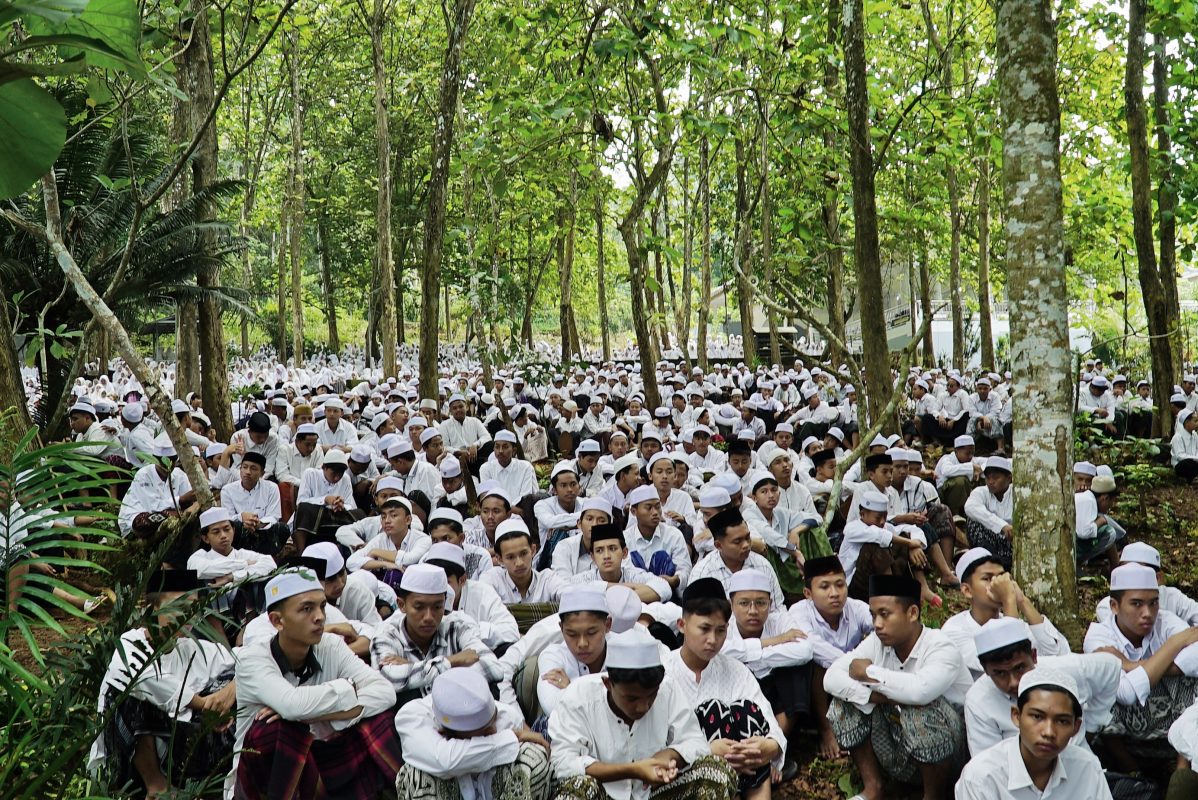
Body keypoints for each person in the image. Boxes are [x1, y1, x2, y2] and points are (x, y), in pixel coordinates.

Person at [233, 566, 401, 799]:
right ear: (277, 621)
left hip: (322, 760)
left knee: (379, 718)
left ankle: (401, 791)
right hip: (268, 778)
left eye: (322, 606)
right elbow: (293, 705)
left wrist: (314, 714)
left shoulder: (331, 645)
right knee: (279, 730)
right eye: (307, 609)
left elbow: (385, 692)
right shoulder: (252, 659)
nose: (320, 616)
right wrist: (347, 690)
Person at [88, 569, 235, 798]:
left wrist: (229, 692)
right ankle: (155, 786)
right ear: (153, 608)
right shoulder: (129, 645)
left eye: (193, 608)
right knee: (127, 694)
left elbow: (245, 660)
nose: (189, 616)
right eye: (180, 607)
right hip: (130, 761)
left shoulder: (192, 647)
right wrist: (207, 705)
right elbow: (151, 682)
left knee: (234, 678)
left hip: (183, 751)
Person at [823, 575, 972, 800]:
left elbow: (919, 692)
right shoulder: (877, 642)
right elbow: (831, 678)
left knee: (920, 711)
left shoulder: (940, 646)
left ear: (912, 613)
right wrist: (878, 697)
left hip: (951, 755)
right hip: (899, 743)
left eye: (885, 614)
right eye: (873, 615)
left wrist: (868, 672)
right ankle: (874, 788)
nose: (877, 624)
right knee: (843, 704)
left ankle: (933, 796)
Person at [548, 626, 739, 800]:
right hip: (603, 793)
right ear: (608, 684)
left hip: (653, 793)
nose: (642, 707)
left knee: (716, 772)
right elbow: (564, 763)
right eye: (631, 698)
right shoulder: (579, 697)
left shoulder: (667, 688)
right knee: (578, 787)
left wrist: (670, 756)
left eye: (651, 696)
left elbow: (695, 742)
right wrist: (633, 770)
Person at [666, 578, 788, 798]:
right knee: (713, 712)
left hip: (740, 772)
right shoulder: (662, 671)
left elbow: (770, 725)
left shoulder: (735, 670)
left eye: (720, 630)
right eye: (704, 629)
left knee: (747, 713)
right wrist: (708, 752)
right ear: (682, 625)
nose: (712, 640)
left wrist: (767, 746)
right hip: (677, 777)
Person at [1082, 562, 1198, 756]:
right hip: (1125, 725)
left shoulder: (1164, 621)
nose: (1148, 613)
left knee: (1192, 682)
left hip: (1168, 717)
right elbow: (1125, 693)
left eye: (1153, 603)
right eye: (1136, 604)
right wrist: (1173, 645)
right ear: (1114, 606)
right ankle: (1127, 765)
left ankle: (1183, 762)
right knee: (1104, 689)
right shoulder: (1098, 637)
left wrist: (1129, 665)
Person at [964, 616, 1121, 756]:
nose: (1014, 682)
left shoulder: (1065, 670)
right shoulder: (978, 701)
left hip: (1080, 769)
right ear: (985, 670)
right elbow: (988, 763)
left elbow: (1111, 667)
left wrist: (1092, 726)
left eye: (1019, 668)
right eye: (1000, 673)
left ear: (1033, 656)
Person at [393, 667, 552, 800]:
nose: (494, 731)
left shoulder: (507, 717)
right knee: (417, 773)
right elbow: (445, 761)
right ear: (444, 734)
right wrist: (510, 738)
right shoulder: (412, 717)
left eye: (492, 726)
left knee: (532, 756)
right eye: (485, 733)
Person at [955, 668, 1113, 799]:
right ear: (1017, 716)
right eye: (1037, 717)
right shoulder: (982, 777)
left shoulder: (1087, 768)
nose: (1049, 732)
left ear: (1075, 727)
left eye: (1062, 721)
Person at [370, 563, 502, 705]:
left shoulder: (456, 628)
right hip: (410, 717)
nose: (428, 617)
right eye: (419, 607)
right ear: (402, 605)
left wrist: (413, 668)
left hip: (458, 712)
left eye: (437, 607)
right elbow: (387, 678)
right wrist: (452, 661)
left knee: (488, 687)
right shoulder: (386, 635)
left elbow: (493, 668)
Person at [789, 555, 874, 759]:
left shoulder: (856, 607)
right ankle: (825, 730)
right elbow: (813, 646)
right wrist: (854, 664)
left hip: (854, 679)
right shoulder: (798, 612)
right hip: (815, 690)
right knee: (817, 662)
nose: (834, 593)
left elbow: (880, 628)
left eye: (840, 585)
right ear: (808, 593)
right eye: (824, 587)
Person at [941, 548, 1067, 680]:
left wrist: (1022, 601)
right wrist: (1008, 600)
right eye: (987, 578)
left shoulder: (1017, 624)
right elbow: (1008, 662)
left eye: (1001, 578)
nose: (997, 584)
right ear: (967, 590)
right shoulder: (955, 630)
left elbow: (1057, 654)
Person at [722, 568, 813, 746]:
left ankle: (774, 745)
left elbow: (805, 650)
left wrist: (752, 656)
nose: (753, 610)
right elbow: (720, 651)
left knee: (798, 669)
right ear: (731, 605)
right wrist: (776, 641)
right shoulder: (724, 626)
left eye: (761, 603)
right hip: (740, 695)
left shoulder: (780, 620)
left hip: (777, 692)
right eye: (744, 603)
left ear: (770, 604)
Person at [536, 586, 612, 722]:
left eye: (591, 633)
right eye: (572, 634)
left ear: (607, 625)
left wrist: (572, 687)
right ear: (561, 628)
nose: (582, 644)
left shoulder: (624, 650)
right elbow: (553, 707)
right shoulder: (552, 656)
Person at [689, 506, 784, 610]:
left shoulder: (762, 565)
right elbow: (695, 615)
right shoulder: (703, 573)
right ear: (718, 545)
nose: (746, 545)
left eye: (748, 538)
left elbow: (777, 609)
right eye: (737, 541)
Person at [570, 522, 672, 603]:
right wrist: (631, 589)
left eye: (612, 548)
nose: (606, 556)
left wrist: (603, 593)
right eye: (599, 550)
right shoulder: (582, 580)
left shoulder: (634, 575)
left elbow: (664, 588)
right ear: (593, 557)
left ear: (624, 553)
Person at [218, 451, 289, 556]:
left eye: (253, 468)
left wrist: (259, 523)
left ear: (262, 473)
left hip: (263, 531)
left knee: (283, 528)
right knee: (235, 526)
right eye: (244, 467)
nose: (248, 472)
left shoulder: (271, 488)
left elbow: (274, 517)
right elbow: (227, 518)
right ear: (240, 469)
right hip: (240, 532)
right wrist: (242, 517)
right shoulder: (227, 490)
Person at [624, 484, 692, 593]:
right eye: (648, 508)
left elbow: (684, 569)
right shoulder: (625, 538)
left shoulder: (674, 535)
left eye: (657, 506)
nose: (655, 512)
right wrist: (657, 582)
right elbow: (624, 572)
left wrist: (676, 580)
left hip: (669, 595)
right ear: (633, 511)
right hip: (635, 594)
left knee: (661, 557)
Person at [482, 520, 569, 603]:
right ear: (500, 559)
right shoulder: (493, 580)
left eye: (523, 554)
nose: (519, 563)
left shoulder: (547, 580)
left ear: (533, 550)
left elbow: (569, 596)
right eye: (510, 557)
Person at [293, 449, 361, 551]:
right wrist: (325, 500)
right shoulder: (310, 474)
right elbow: (301, 501)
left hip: (337, 516)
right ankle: (301, 553)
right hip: (313, 517)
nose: (337, 478)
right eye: (334, 473)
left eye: (340, 474)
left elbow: (351, 506)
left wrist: (341, 505)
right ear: (324, 467)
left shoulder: (345, 478)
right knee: (303, 509)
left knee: (360, 514)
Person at [963, 456, 1015, 567]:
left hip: (1012, 543)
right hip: (989, 542)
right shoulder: (981, 492)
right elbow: (970, 507)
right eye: (987, 478)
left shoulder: (1017, 493)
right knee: (974, 521)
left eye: (995, 478)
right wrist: (1002, 526)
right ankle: (987, 561)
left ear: (1009, 478)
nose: (990, 482)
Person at [480, 430, 539, 503]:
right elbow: (487, 497)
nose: (500, 451)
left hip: (520, 508)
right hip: (495, 509)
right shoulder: (486, 468)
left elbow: (525, 497)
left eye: (505, 447)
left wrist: (508, 508)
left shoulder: (525, 467)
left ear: (514, 451)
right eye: (497, 447)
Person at [1171, 409, 1198, 482]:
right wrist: (1196, 458)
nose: (1197, 424)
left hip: (1194, 462)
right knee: (1188, 463)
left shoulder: (1195, 435)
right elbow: (1180, 456)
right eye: (1195, 421)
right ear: (1187, 422)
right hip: (1181, 465)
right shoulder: (1178, 437)